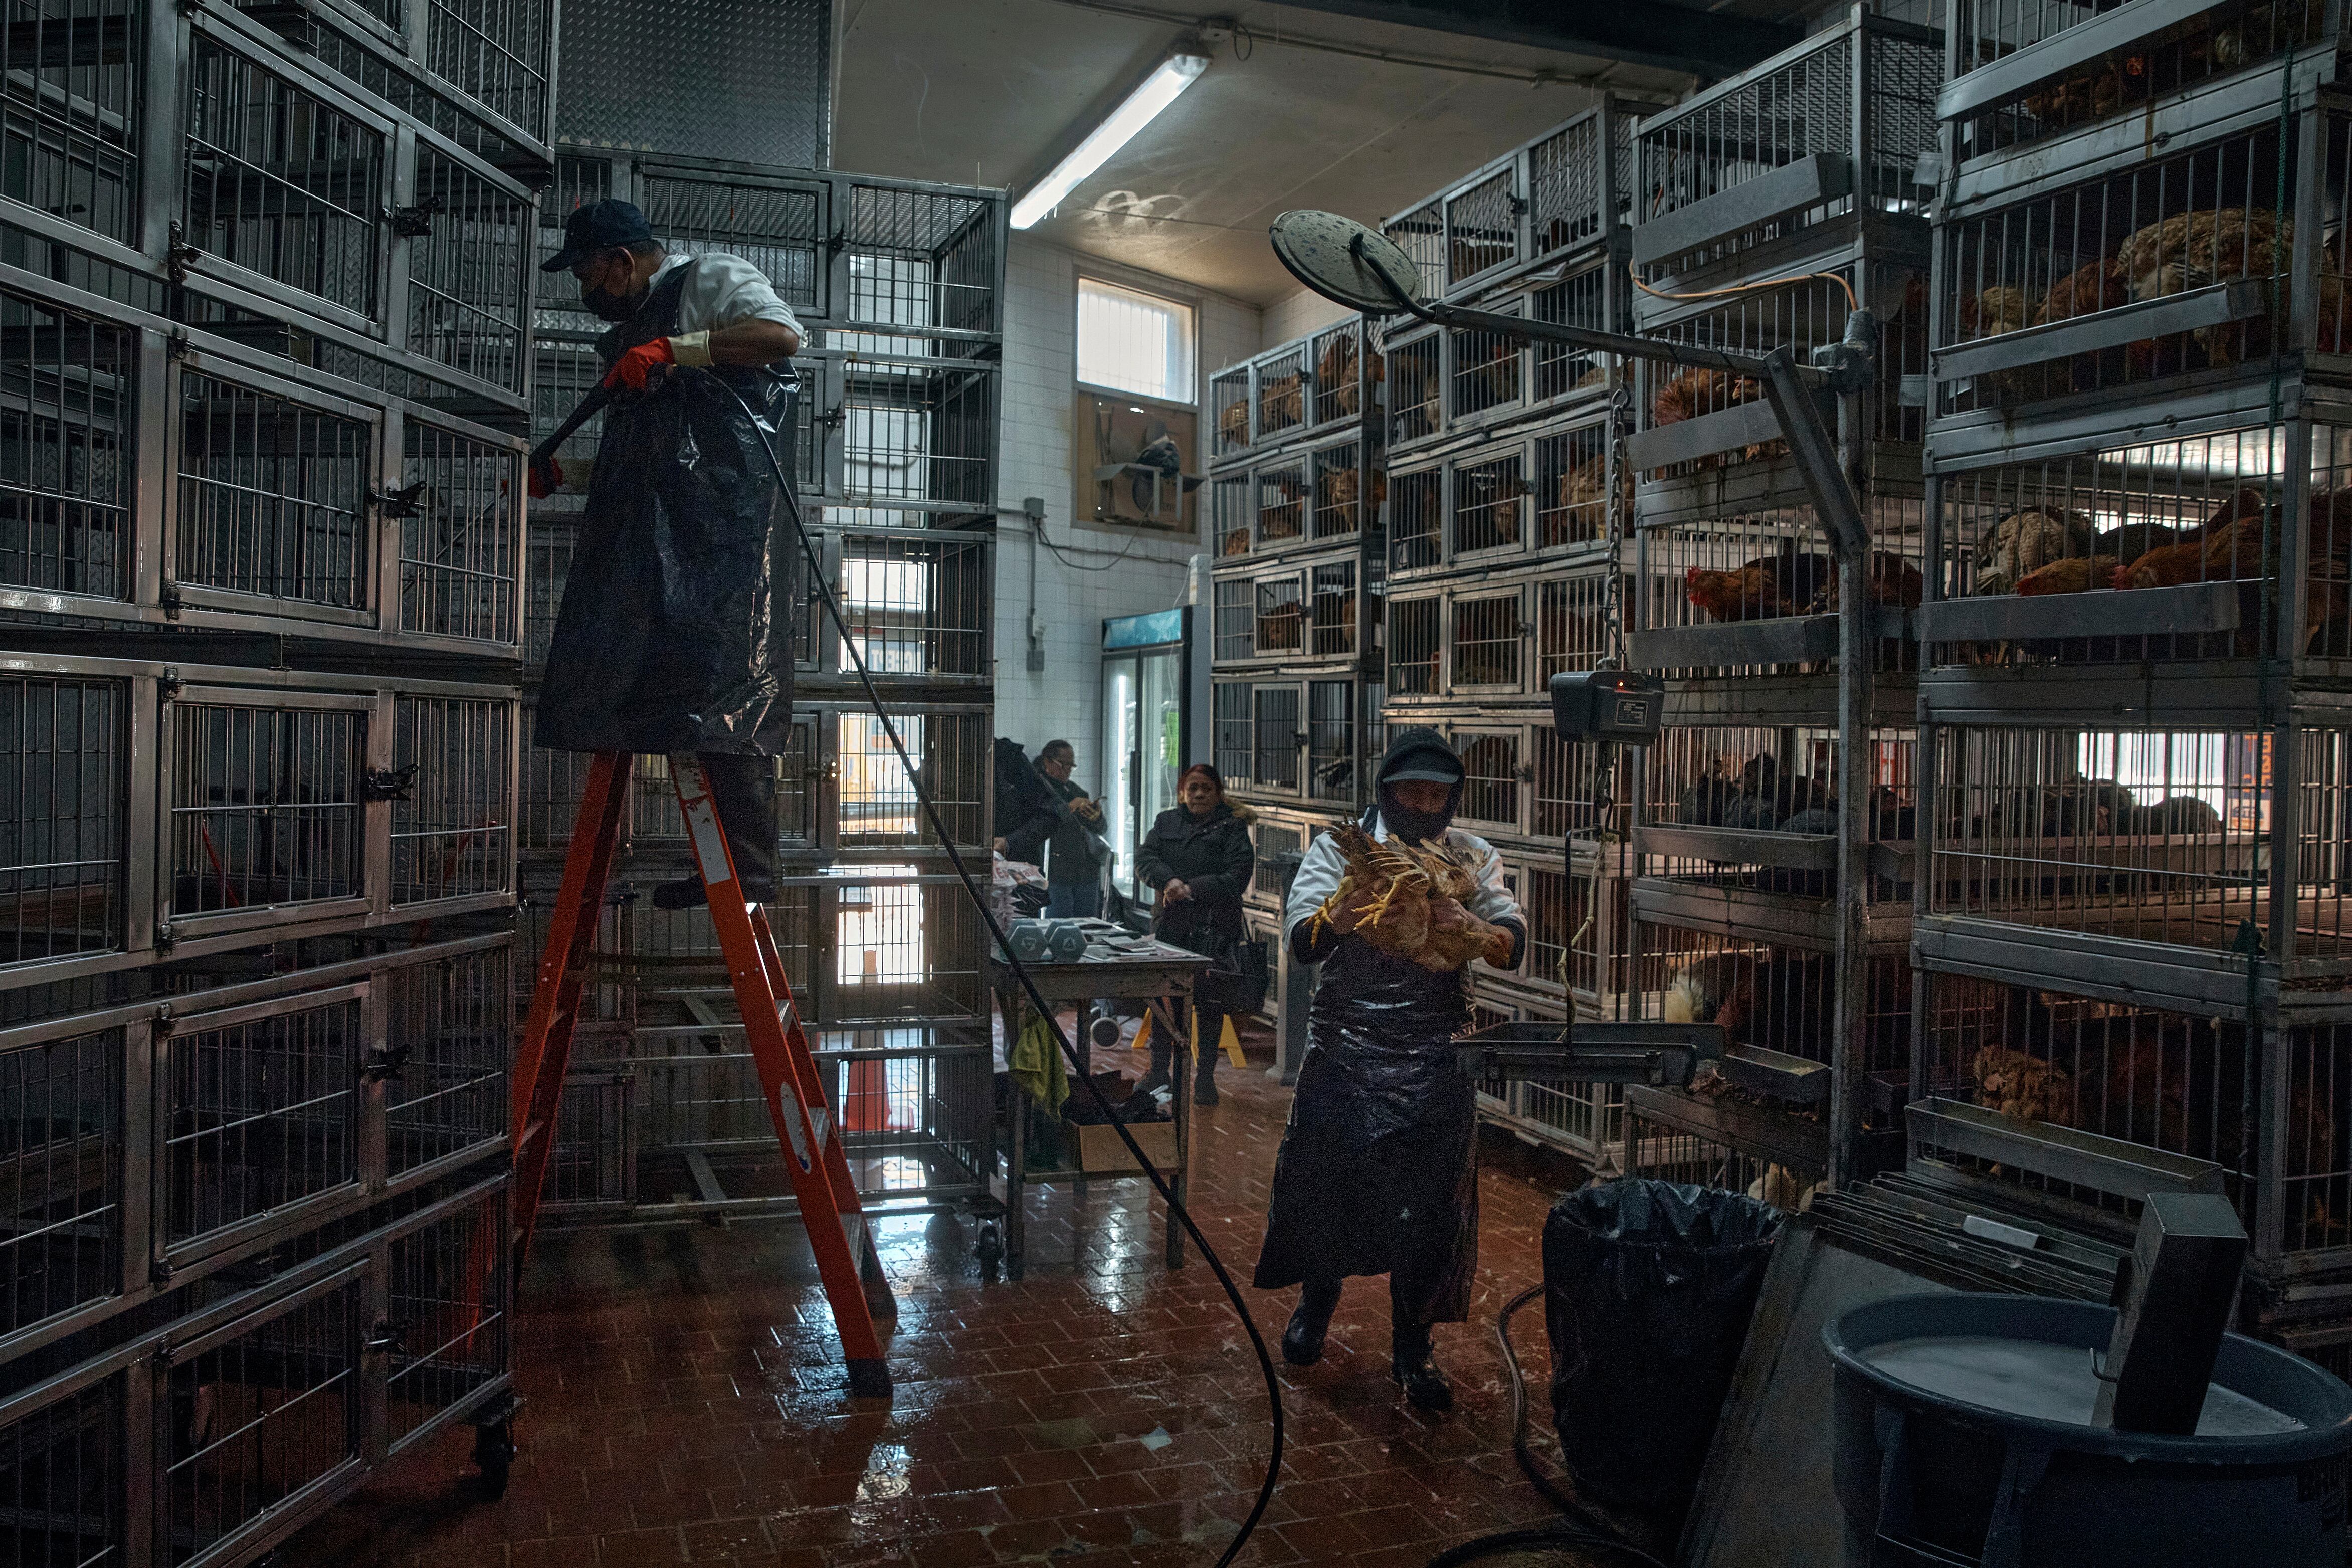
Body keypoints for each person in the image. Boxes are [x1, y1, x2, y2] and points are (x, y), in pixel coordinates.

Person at [530, 198, 804, 910]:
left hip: (723, 537)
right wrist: (571, 474)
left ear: (621, 260)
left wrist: (675, 351)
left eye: (588, 274)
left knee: (724, 691)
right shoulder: (632, 331)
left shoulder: (709, 280)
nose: (586, 291)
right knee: (657, 685)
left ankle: (750, 870)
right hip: (665, 542)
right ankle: (720, 863)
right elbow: (650, 456)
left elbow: (781, 337)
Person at [1253, 727, 1525, 1412]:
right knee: (1328, 1184)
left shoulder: (1472, 856)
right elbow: (1301, 942)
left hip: (1436, 1051)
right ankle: (1317, 1303)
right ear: (1387, 791)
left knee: (1430, 1204)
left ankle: (1414, 1345)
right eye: (1413, 793)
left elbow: (1510, 935)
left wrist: (1475, 927)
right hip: (1347, 1047)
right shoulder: (1340, 850)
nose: (1425, 805)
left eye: (1438, 795)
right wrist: (1343, 914)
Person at [1136, 763, 1254, 1106]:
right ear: (1182, 793)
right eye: (1193, 788)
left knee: (1209, 1002)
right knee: (1164, 998)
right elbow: (1145, 858)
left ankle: (1205, 1078)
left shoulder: (1232, 827)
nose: (1199, 794)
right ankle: (1161, 1072)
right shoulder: (1166, 822)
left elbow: (1238, 876)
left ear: (1218, 794)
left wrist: (1190, 889)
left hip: (1215, 927)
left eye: (1206, 788)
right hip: (1171, 924)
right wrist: (1168, 881)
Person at [1003, 741, 1108, 917]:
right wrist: (1069, 807)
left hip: (1086, 873)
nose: (1068, 770)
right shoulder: (1036, 789)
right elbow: (1041, 822)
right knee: (1057, 925)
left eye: (1071, 766)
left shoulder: (1077, 791)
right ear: (1047, 762)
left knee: (1088, 926)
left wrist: (1096, 818)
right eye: (1064, 765)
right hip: (1055, 873)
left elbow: (1100, 829)